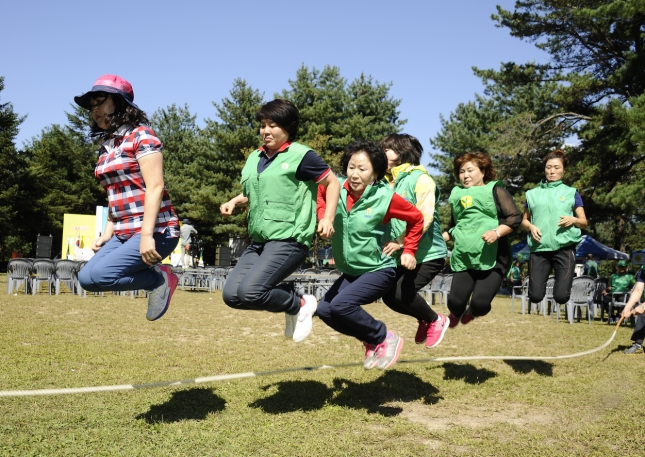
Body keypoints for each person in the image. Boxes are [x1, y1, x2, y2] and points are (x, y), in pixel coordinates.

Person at [220, 99, 340, 343]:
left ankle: (300, 304)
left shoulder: (302, 156)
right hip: (260, 240)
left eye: (272, 125)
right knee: (232, 295)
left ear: (288, 127)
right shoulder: (255, 157)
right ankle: (294, 301)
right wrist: (235, 201)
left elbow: (332, 182)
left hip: (289, 239)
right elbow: (259, 191)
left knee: (250, 292)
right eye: (263, 125)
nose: (265, 131)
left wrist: (327, 218)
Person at [74, 74, 180, 321]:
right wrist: (106, 233)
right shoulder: (106, 147)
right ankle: (156, 278)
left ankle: (160, 279)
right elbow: (114, 195)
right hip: (122, 232)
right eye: (92, 106)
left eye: (100, 101)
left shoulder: (142, 136)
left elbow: (155, 186)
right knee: (86, 279)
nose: (95, 110)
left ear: (120, 103)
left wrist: (145, 236)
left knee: (101, 275)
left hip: (156, 231)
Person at [316, 140, 424, 369]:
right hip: (351, 271)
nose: (354, 174)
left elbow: (416, 219)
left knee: (341, 305)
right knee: (325, 310)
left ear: (375, 172)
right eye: (351, 167)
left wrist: (409, 249)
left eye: (362, 169)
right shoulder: (336, 188)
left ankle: (384, 337)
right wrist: (323, 218)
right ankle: (371, 339)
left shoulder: (385, 197)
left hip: (378, 269)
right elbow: (320, 195)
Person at [378, 133, 450, 349]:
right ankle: (425, 318)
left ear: (402, 152)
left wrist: (401, 241)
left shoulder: (422, 179)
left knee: (401, 292)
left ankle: (437, 320)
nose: (381, 154)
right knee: (389, 296)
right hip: (403, 254)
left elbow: (424, 216)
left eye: (386, 149)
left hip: (429, 254)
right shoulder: (385, 183)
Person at [442, 152, 522, 326]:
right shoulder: (457, 194)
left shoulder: (495, 189)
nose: (465, 175)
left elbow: (514, 217)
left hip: (493, 257)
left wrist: (497, 232)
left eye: (470, 170)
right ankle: (457, 312)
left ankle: (473, 311)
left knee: (480, 303)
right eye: (462, 172)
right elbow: (454, 225)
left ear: (483, 171)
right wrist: (442, 237)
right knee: (454, 303)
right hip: (465, 256)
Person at [521, 149, 588, 312]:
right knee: (535, 296)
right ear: (544, 169)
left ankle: (561, 286)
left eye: (557, 167)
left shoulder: (571, 193)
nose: (552, 171)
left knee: (561, 297)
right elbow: (524, 220)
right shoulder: (532, 194)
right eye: (549, 167)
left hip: (564, 249)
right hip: (539, 248)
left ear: (564, 170)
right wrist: (531, 226)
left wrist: (573, 220)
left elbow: (584, 222)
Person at [621, 265, 645, 354]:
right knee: (643, 314)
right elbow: (638, 290)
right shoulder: (643, 269)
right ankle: (638, 344)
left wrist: (643, 306)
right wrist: (627, 308)